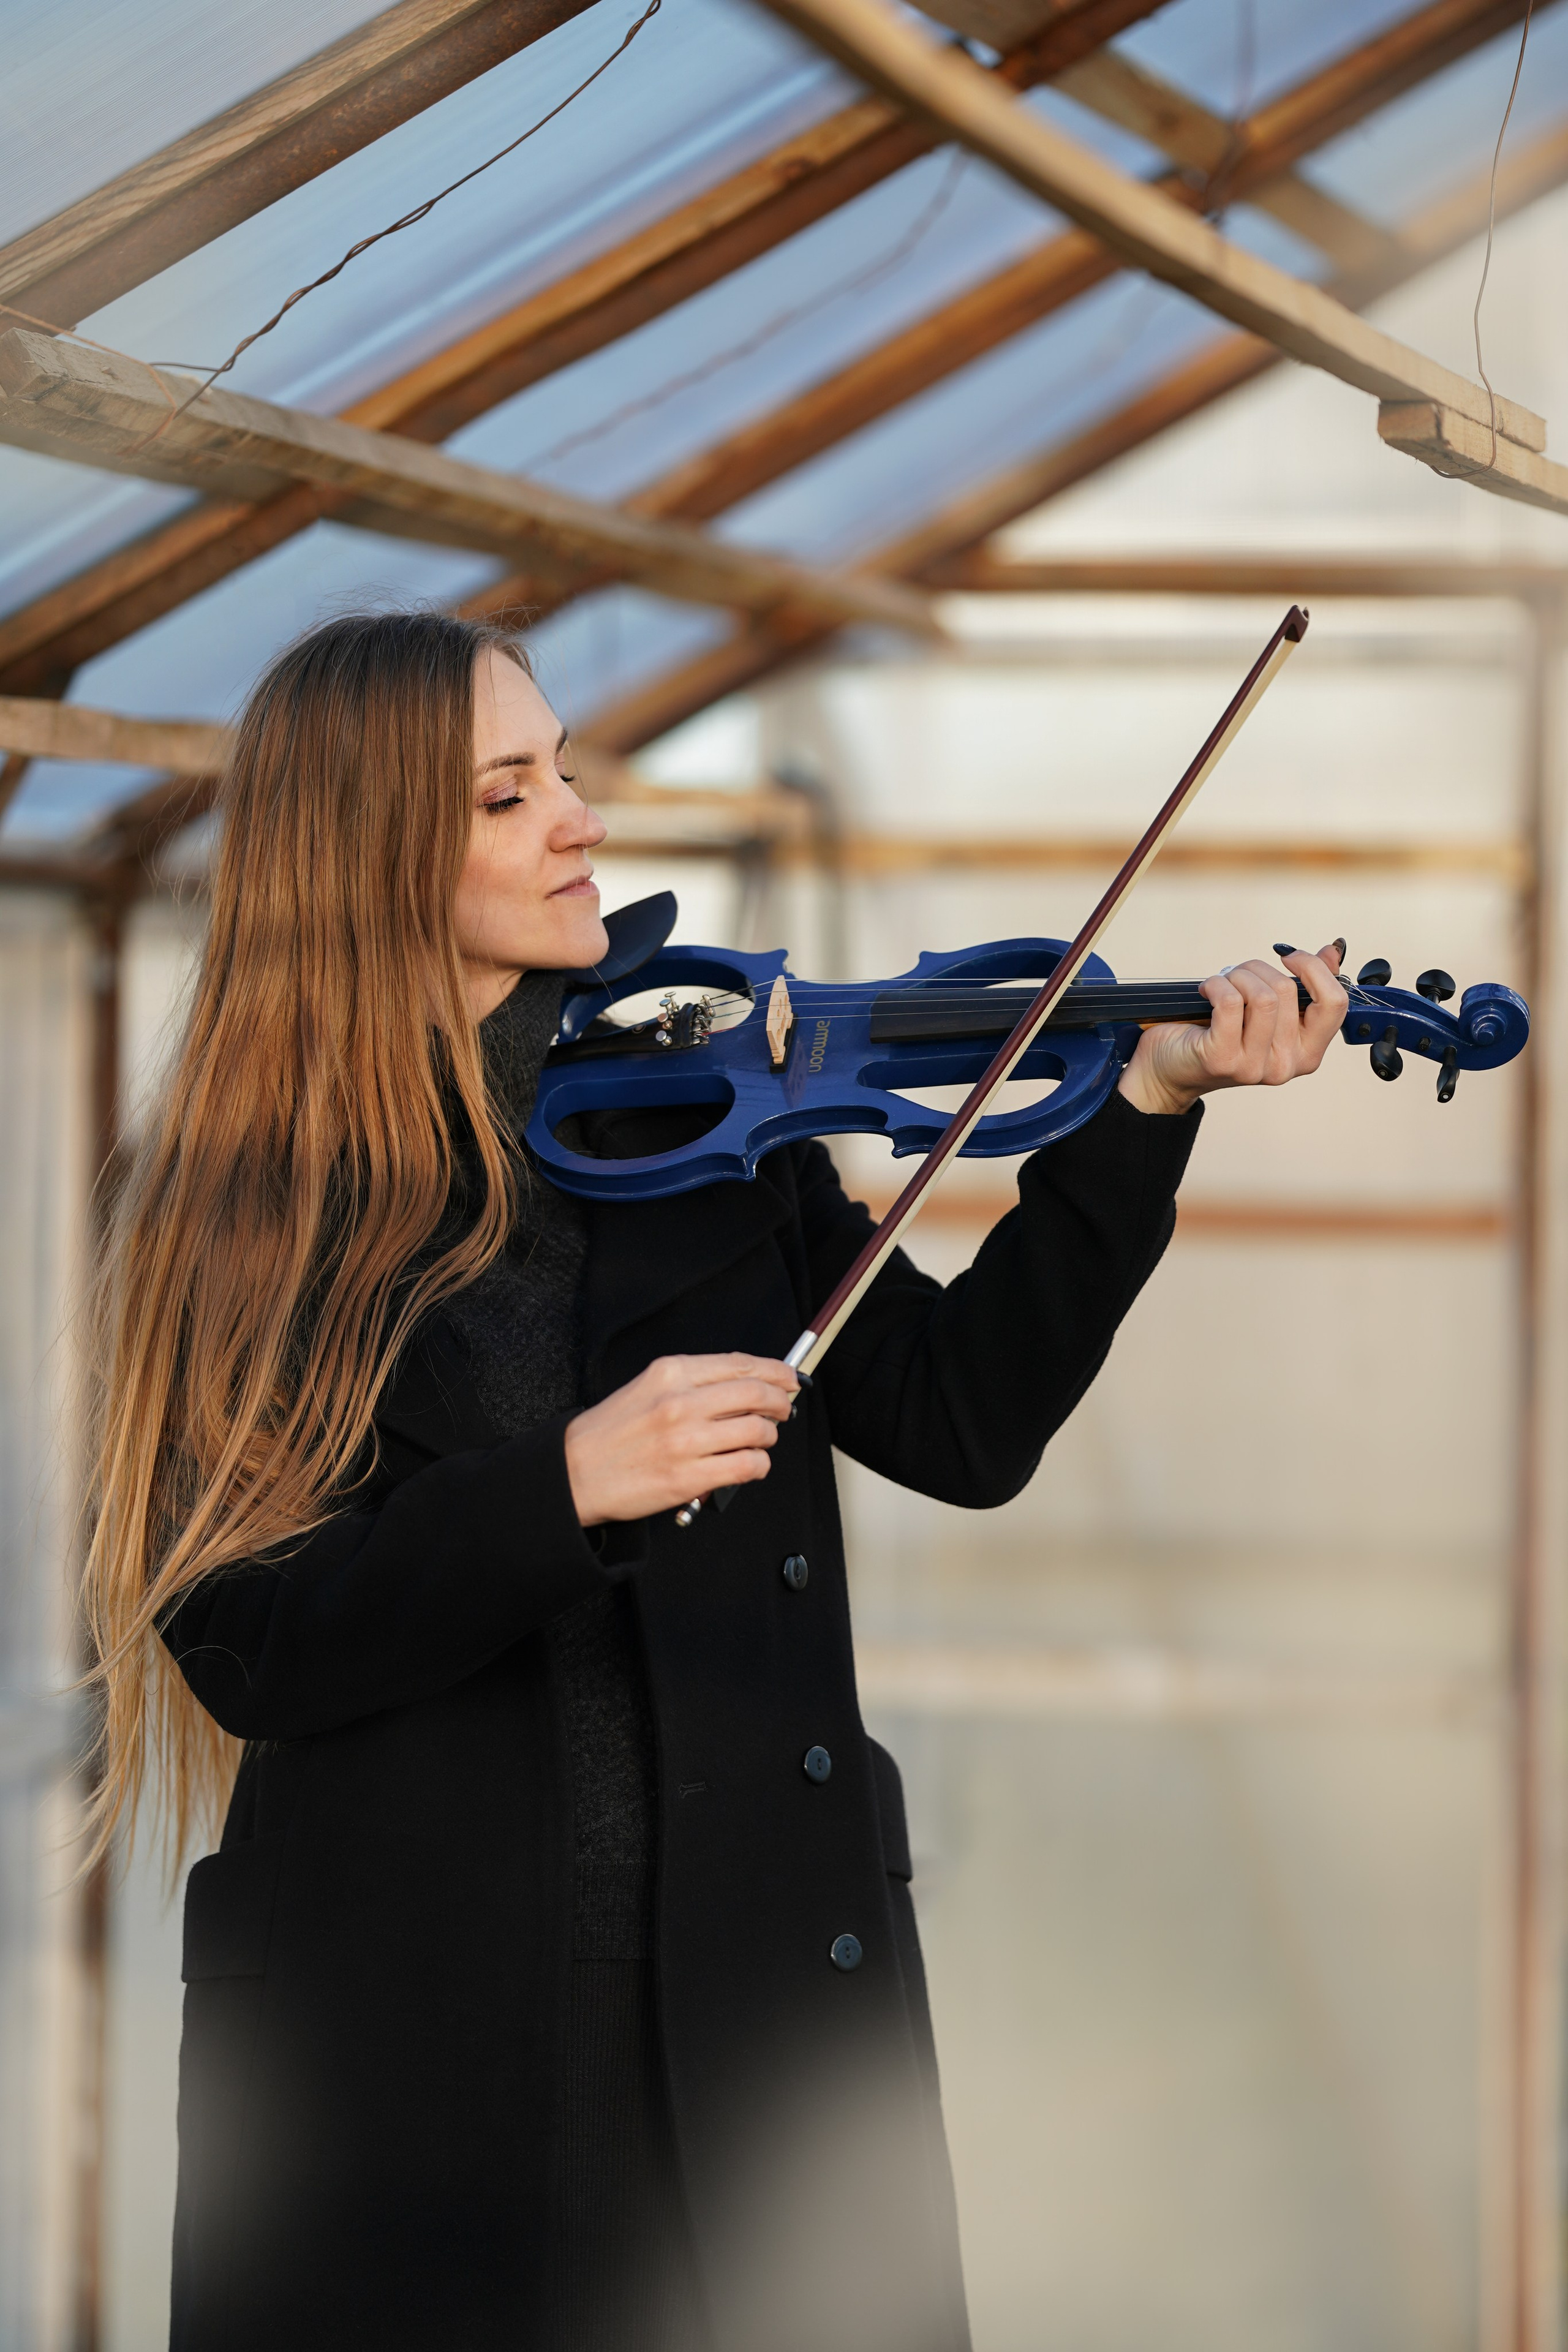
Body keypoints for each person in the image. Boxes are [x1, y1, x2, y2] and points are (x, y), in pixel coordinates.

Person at [82, 611, 1348, 2352]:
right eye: (509, 796)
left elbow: (962, 1423)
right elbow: (248, 1640)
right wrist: (561, 1488)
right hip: (418, 2031)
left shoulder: (701, 1125)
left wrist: (1140, 1111)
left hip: (755, 1997)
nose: (582, 819)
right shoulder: (242, 1200)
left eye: (564, 771)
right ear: (365, 855)